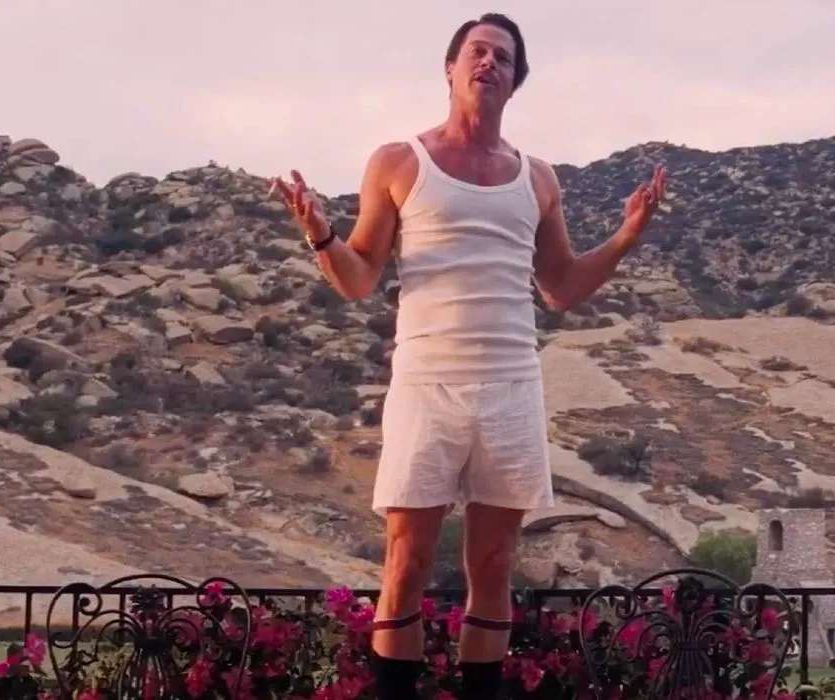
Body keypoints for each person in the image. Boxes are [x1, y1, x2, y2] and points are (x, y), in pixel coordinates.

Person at [270, 12, 666, 698]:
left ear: (515, 82)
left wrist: (626, 237)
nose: (489, 63)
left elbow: (563, 287)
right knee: (407, 560)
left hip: (511, 386)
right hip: (427, 383)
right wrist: (320, 234)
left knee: (493, 561)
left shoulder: (538, 179)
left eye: (503, 58)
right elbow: (360, 278)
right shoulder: (399, 161)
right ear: (450, 70)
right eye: (477, 52)